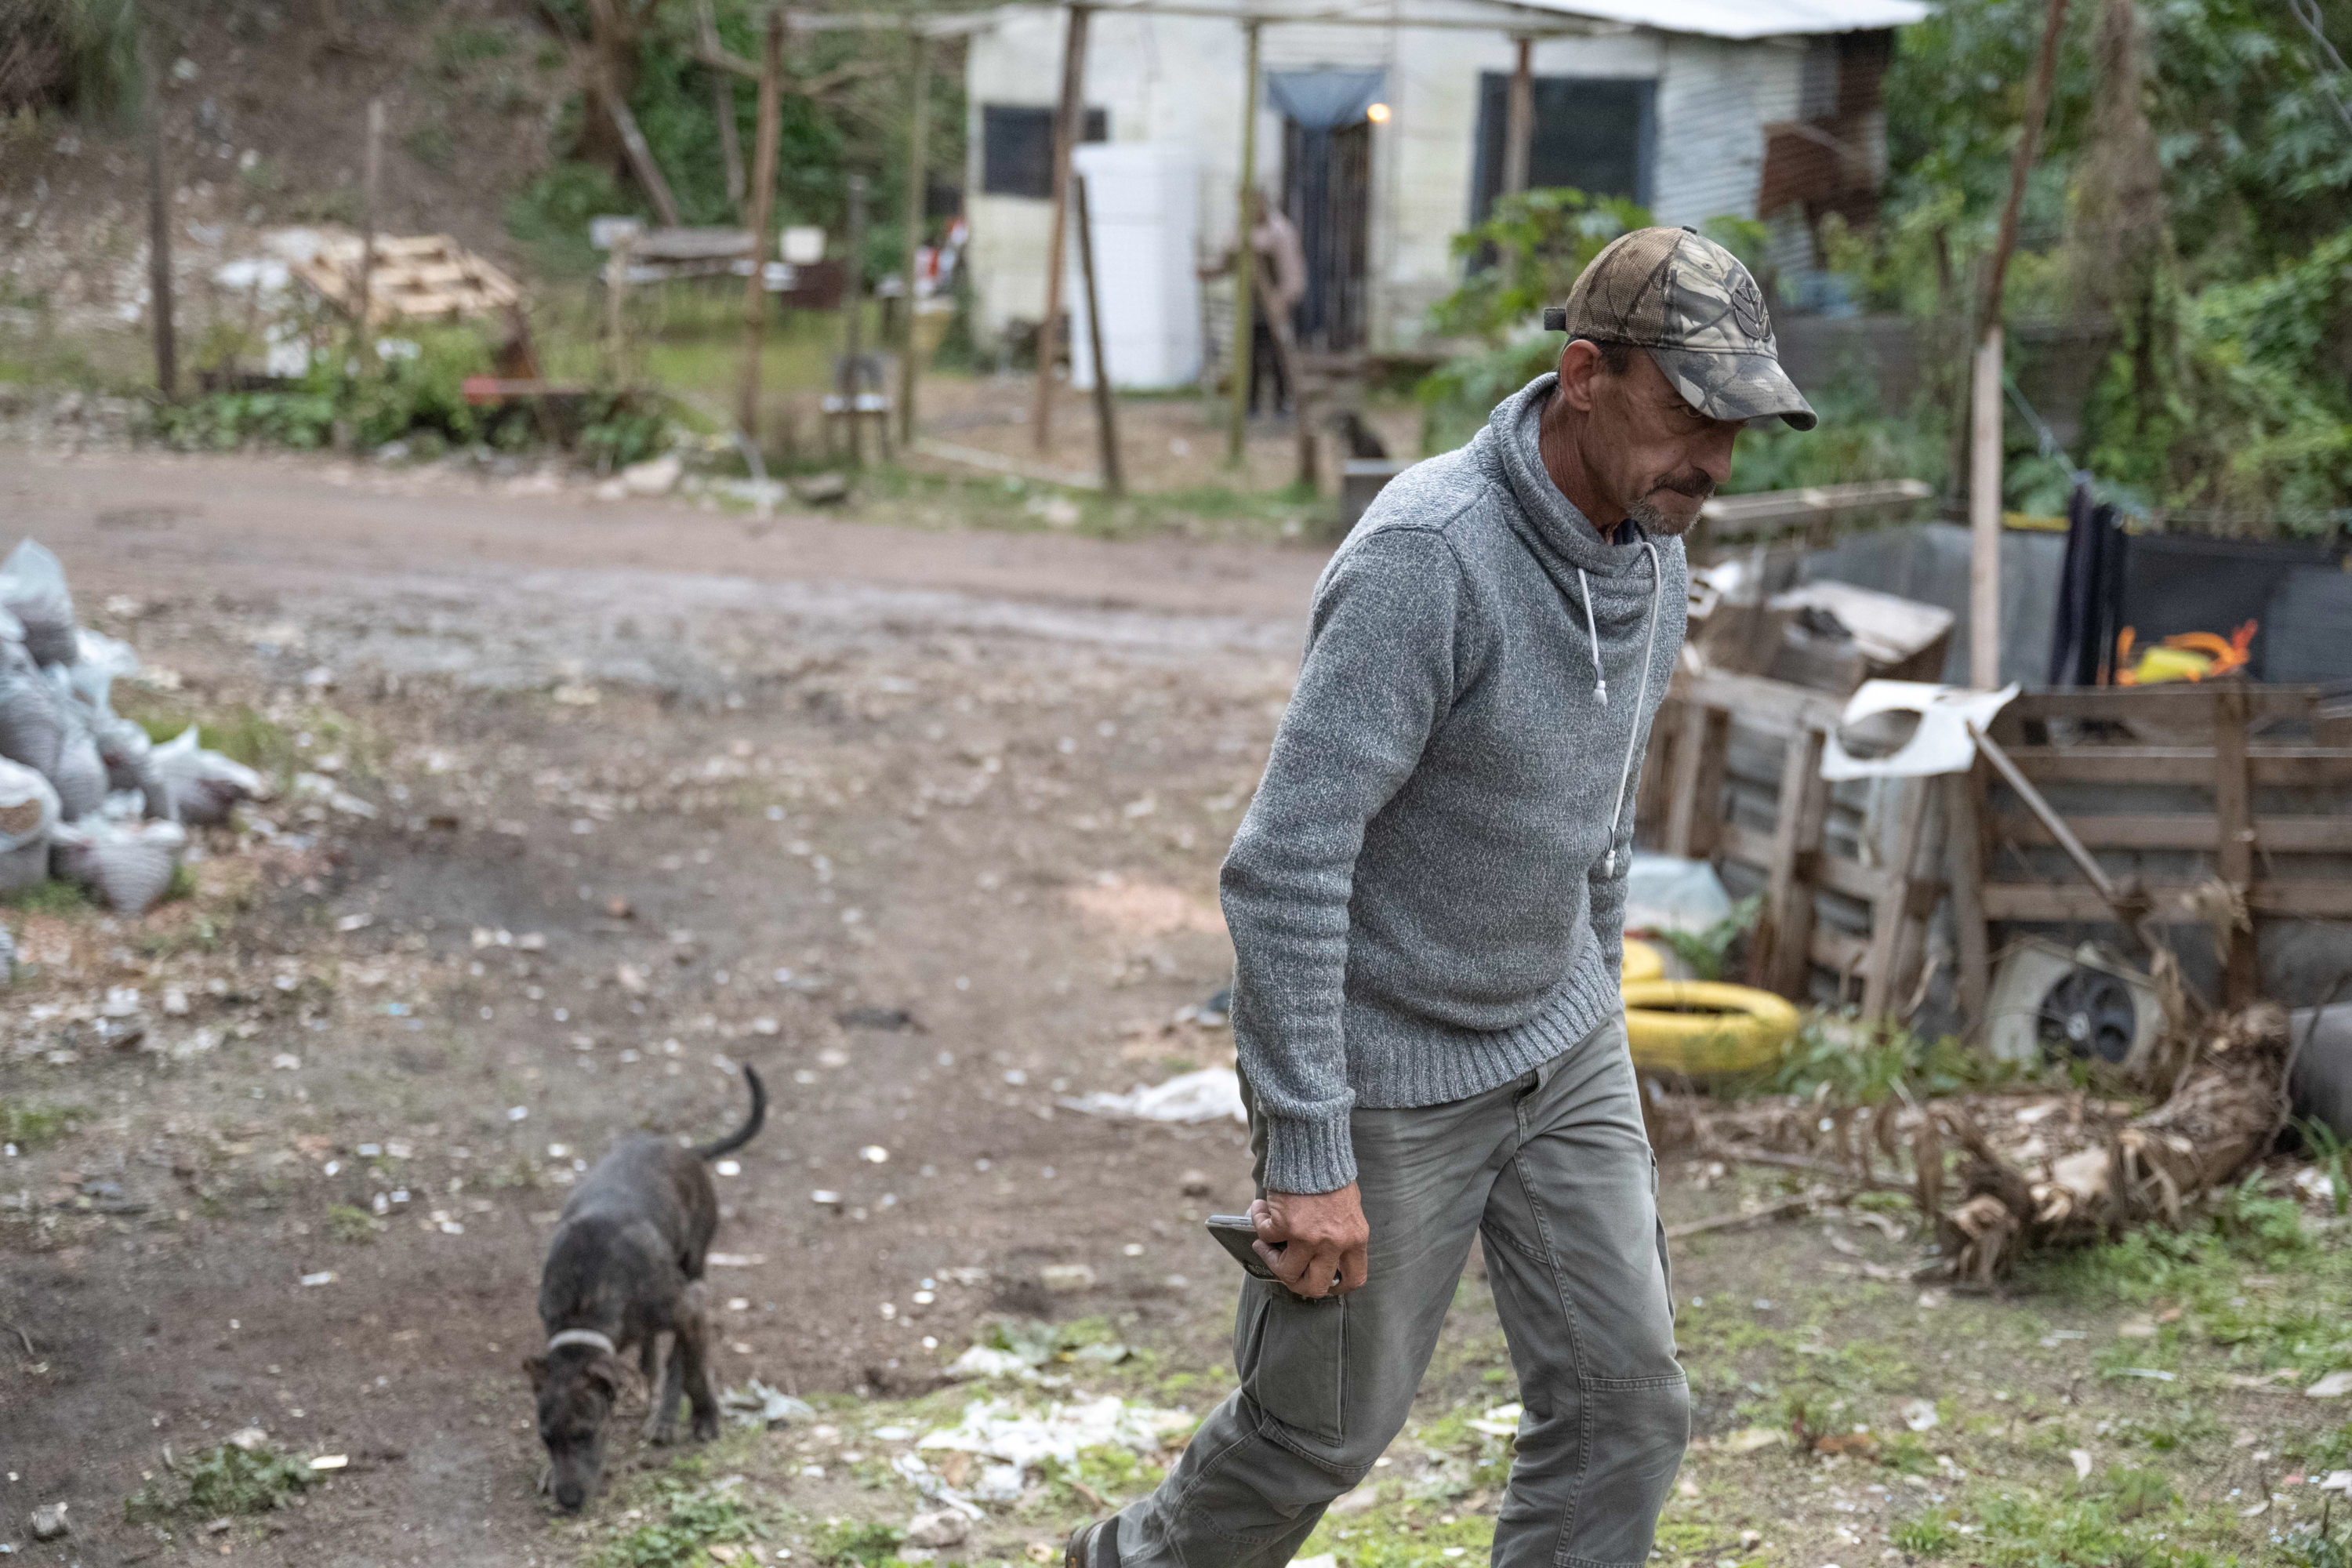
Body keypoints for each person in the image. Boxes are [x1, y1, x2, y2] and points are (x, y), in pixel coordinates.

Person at [1067, 227, 1815, 1568]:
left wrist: (1590, 1007)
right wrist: (1309, 1150)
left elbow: (1597, 812)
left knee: (1628, 1408)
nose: (1714, 455)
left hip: (1561, 1034)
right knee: (1318, 1434)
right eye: (1691, 412)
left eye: (1738, 423)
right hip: (1393, 1063)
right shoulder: (1432, 557)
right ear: (1585, 375)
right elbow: (1286, 861)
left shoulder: (1654, 548)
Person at [1202, 190, 1308, 415]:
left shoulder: (1280, 231)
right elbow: (1228, 262)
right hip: (1250, 305)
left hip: (1276, 302)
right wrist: (1211, 272)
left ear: (1261, 203)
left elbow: (1293, 274)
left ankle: (1283, 404)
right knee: (1248, 355)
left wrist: (1281, 300)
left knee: (1279, 354)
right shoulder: (1240, 230)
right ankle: (1250, 406)